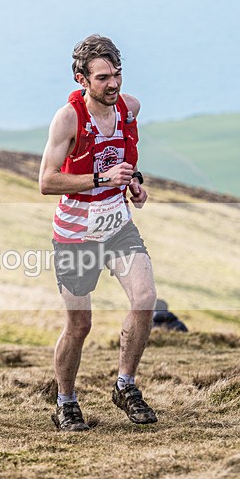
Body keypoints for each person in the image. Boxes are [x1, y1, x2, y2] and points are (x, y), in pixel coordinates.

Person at [39, 35, 158, 430]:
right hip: (75, 233)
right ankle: (66, 401)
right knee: (79, 324)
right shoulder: (68, 118)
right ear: (82, 79)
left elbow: (124, 161)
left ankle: (125, 385)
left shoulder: (129, 109)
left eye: (117, 74)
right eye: (103, 77)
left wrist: (132, 184)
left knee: (144, 299)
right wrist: (99, 178)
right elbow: (47, 181)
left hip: (116, 224)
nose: (114, 84)